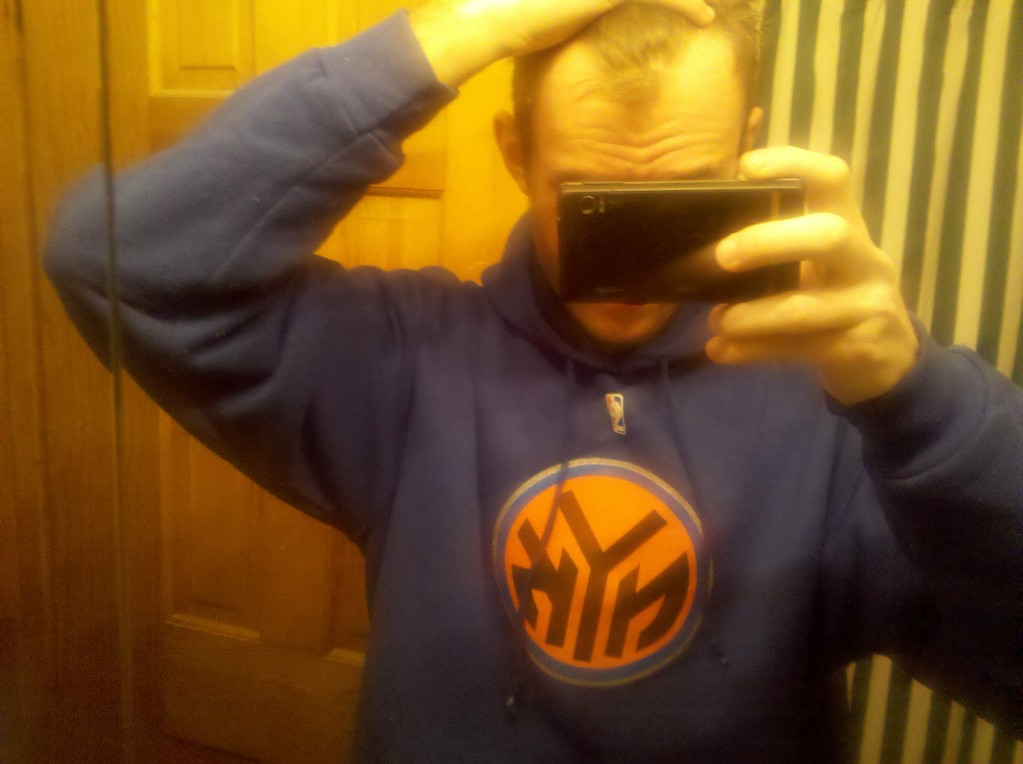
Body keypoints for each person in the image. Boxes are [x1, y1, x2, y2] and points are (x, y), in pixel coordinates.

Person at [45, 0, 1022, 759]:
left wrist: (919, 399)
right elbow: (111, 259)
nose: (635, 267)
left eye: (684, 195)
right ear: (515, 153)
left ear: (748, 147)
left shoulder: (836, 396)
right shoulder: (407, 359)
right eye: (594, 202)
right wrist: (453, 37)